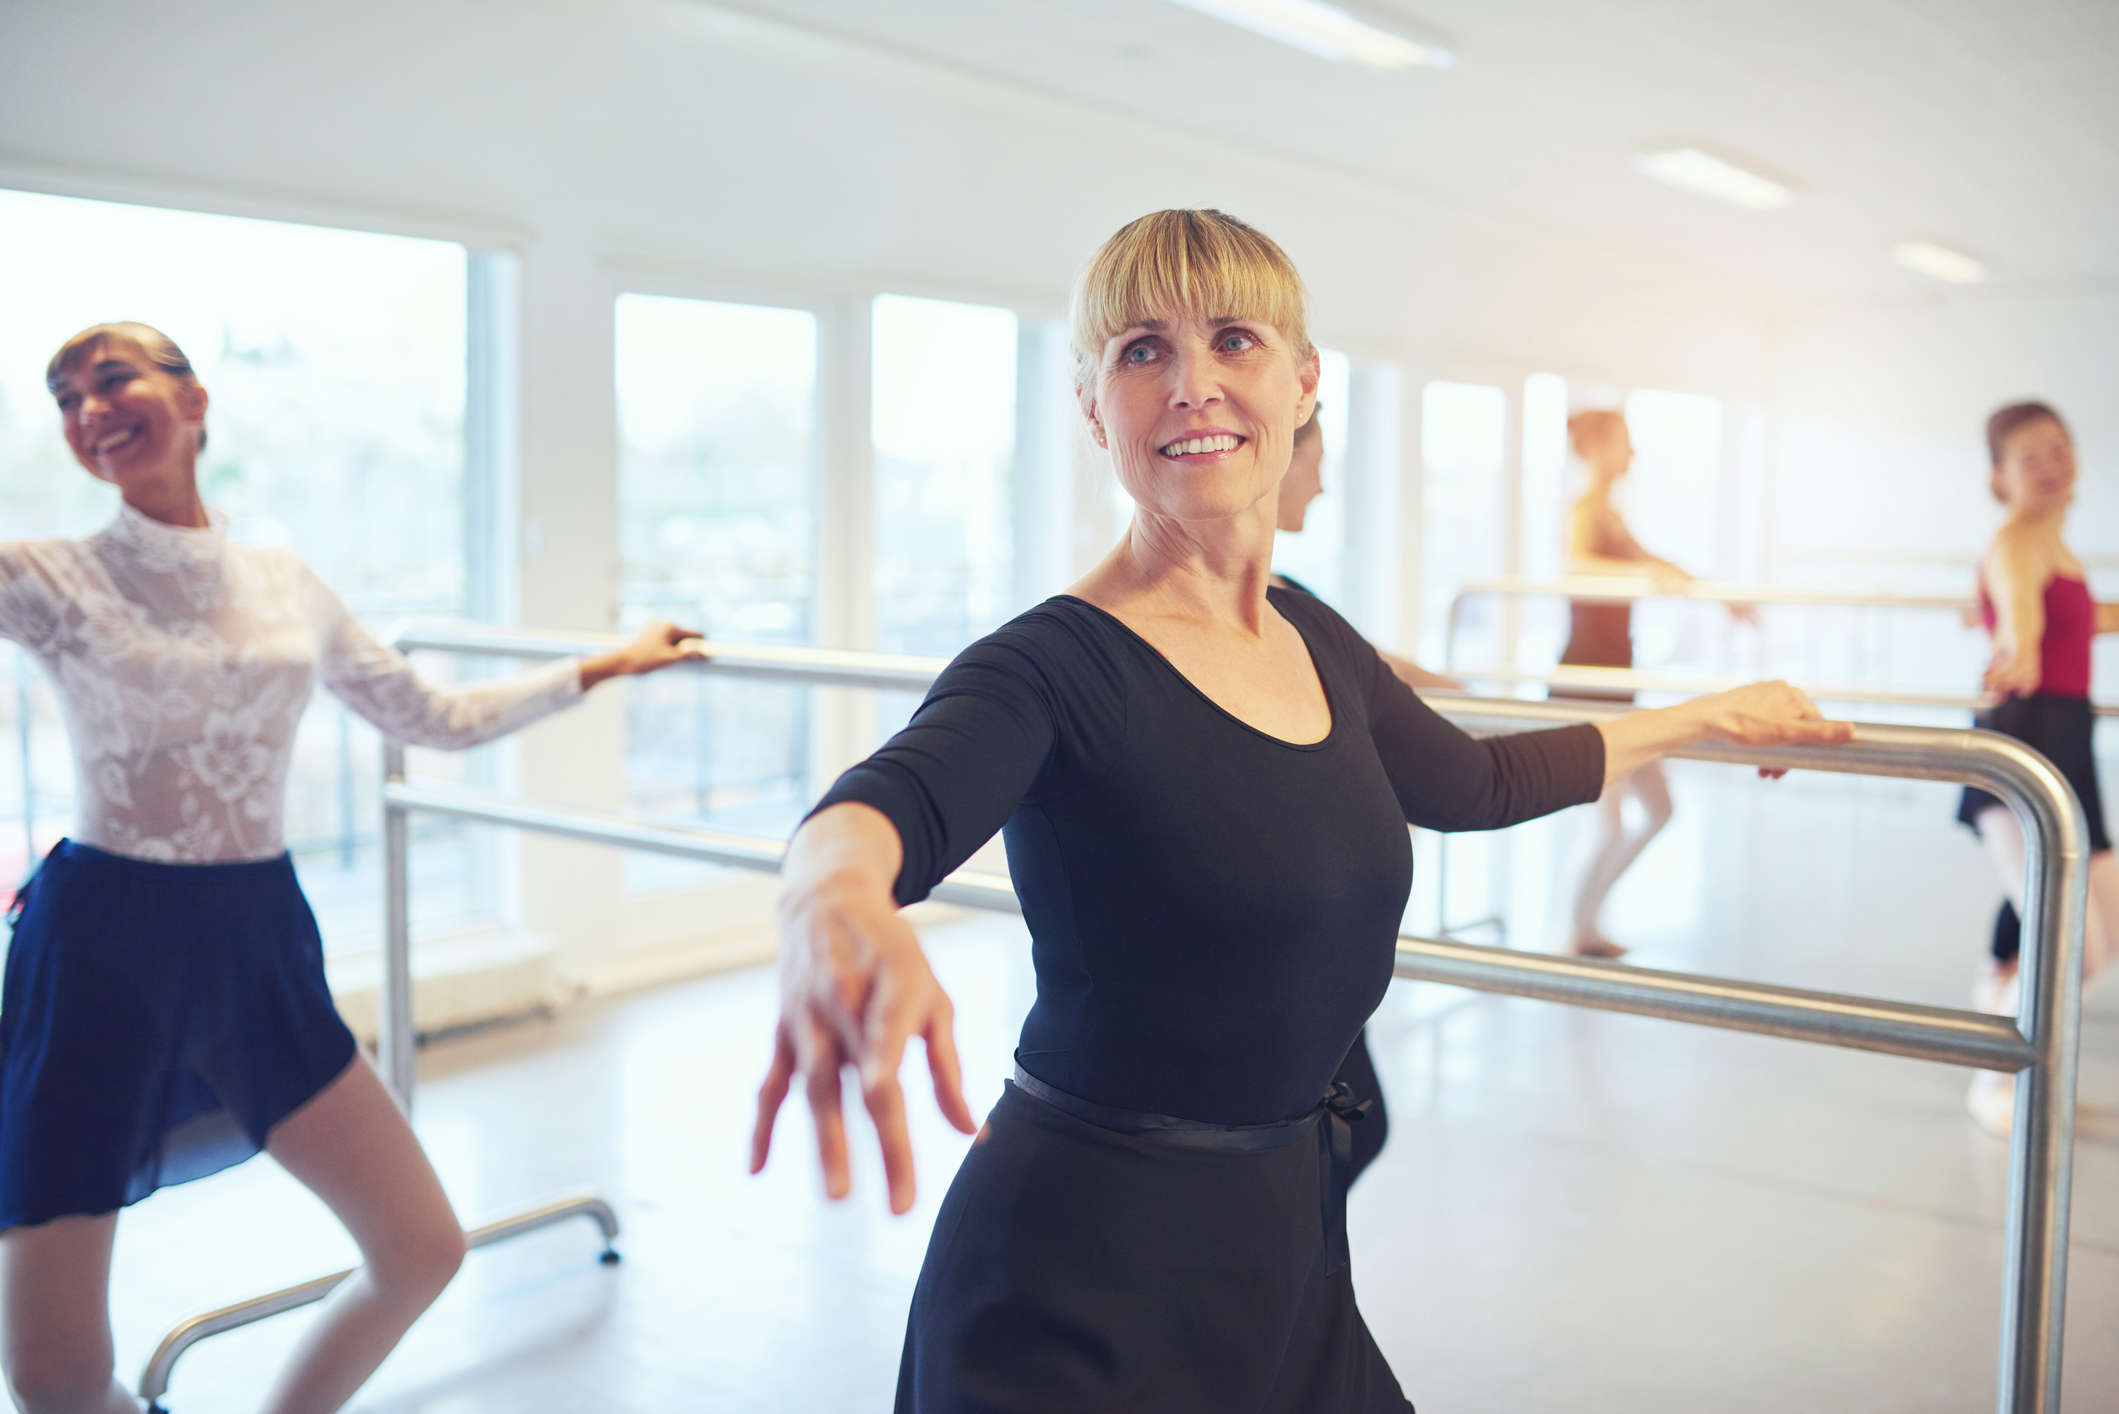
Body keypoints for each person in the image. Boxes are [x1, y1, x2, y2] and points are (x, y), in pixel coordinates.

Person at [749, 209, 1849, 1412]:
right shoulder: (1049, 666)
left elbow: (1471, 782)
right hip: (1077, 1279)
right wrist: (829, 891)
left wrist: (1699, 718)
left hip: (1285, 1245)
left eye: (1233, 339)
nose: (1192, 386)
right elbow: (890, 799)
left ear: (1303, 378)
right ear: (1090, 406)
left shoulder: (1314, 633)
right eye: (1139, 352)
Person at [0, 322, 704, 1414]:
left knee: (419, 1245)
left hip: (254, 941)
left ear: (193, 402)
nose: (88, 406)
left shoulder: (287, 582)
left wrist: (602, 663)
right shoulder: (46, 575)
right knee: (54, 1379)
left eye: (112, 377)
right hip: (97, 948)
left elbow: (430, 715)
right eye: (64, 395)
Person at [1273, 403, 1459, 1187]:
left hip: (1323, 947)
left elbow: (1369, 663)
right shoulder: (1266, 602)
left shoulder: (1288, 597)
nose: (1321, 484)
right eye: (1317, 460)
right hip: (1291, 942)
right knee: (1346, 1130)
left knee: (1352, 1129)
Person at [1955, 401, 2119, 1133]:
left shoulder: (2055, 544)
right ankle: (1996, 1080)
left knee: (2099, 926)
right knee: (2073, 943)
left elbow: (2077, 619)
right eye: (2028, 458)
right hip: (2021, 747)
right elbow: (2022, 620)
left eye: (2059, 449)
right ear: (1999, 476)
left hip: (2067, 746)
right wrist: (2013, 651)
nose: (2050, 467)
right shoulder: (2017, 540)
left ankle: (2008, 1015)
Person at [1558, 409, 1751, 958]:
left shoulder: (1611, 516)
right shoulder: (1584, 511)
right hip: (1586, 685)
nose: (1633, 455)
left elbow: (1656, 561)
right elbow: (1575, 564)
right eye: (1624, 443)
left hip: (1620, 684)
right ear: (1596, 447)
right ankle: (1576, 932)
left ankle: (1585, 925)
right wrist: (1644, 577)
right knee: (1610, 822)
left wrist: (1722, 598)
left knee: (1660, 809)